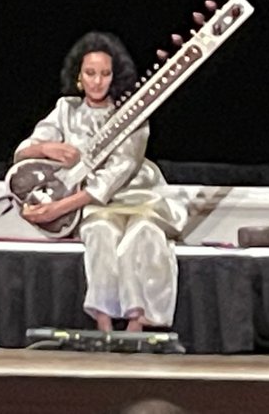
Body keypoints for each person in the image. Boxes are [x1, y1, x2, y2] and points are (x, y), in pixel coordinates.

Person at [16, 32, 186, 332]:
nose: (97, 81)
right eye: (90, 73)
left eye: (105, 74)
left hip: (136, 196)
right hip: (95, 208)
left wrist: (59, 208)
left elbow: (115, 175)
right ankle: (104, 327)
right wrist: (46, 148)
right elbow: (22, 153)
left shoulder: (132, 115)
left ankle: (138, 324)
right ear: (79, 76)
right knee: (99, 232)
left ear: (114, 77)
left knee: (144, 234)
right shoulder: (66, 110)